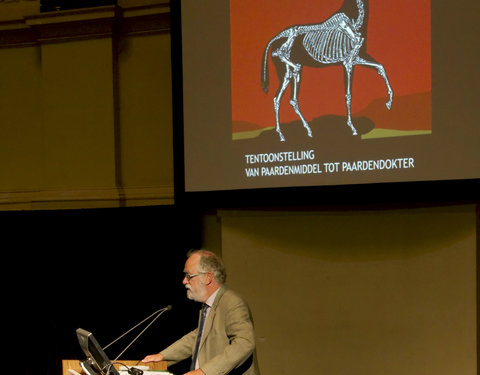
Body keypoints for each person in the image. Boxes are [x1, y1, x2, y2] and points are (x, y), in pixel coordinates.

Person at [142, 250, 259, 375]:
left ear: (207, 278)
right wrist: (162, 356)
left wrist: (203, 372)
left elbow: (244, 343)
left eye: (189, 276)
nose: (184, 281)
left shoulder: (232, 303)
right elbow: (198, 337)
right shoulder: (209, 304)